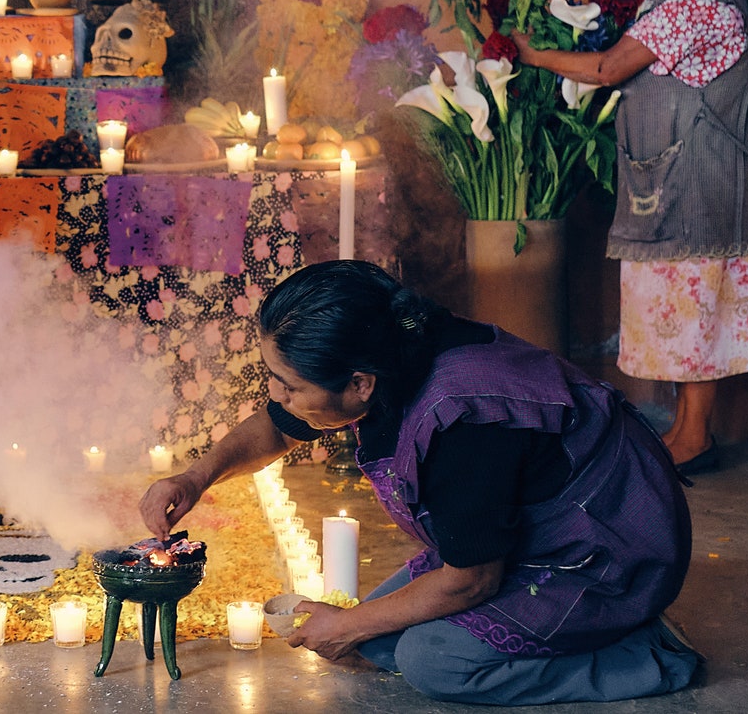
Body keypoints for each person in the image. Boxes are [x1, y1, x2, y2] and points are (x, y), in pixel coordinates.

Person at [138, 261, 699, 705]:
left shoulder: (463, 423)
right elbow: (277, 428)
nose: (278, 398)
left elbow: (472, 579)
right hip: (531, 533)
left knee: (436, 661)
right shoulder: (388, 351)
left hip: (604, 551)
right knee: (379, 642)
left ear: (359, 384)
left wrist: (349, 624)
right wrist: (195, 478)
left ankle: (643, 652)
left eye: (288, 386)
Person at [513, 0, 748, 475]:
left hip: (698, 187)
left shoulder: (701, 3)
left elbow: (608, 68)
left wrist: (532, 53)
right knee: (687, 314)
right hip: (685, 184)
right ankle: (688, 431)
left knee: (696, 312)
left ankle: (695, 435)